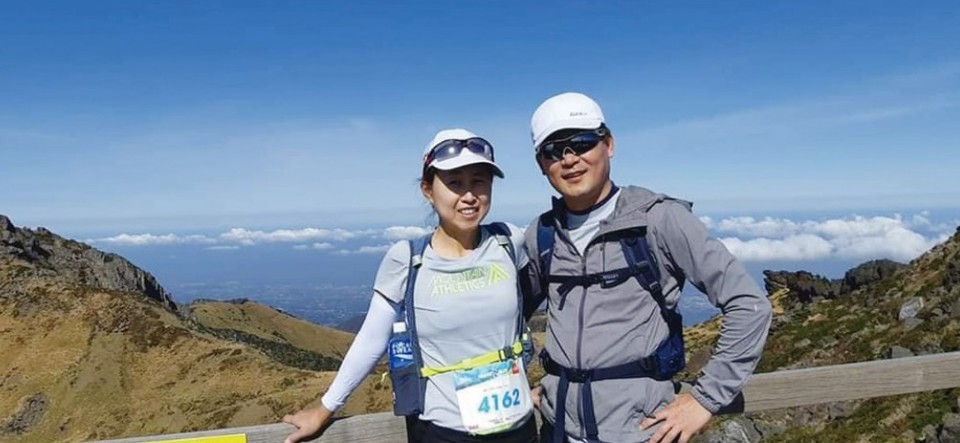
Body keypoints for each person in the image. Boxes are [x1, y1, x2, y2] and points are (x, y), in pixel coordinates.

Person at [520, 92, 772, 443]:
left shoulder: (660, 220)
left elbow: (749, 304)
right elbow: (509, 316)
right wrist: (520, 383)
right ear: (541, 164)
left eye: (581, 143)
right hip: (557, 431)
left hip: (641, 434)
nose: (570, 159)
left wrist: (705, 399)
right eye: (553, 150)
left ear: (608, 144)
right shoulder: (543, 234)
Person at [284, 129, 538, 443]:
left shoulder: (509, 242)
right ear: (428, 190)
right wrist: (326, 407)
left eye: (479, 180)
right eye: (454, 183)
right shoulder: (407, 259)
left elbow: (550, 303)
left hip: (519, 429)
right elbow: (371, 339)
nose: (469, 195)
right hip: (443, 433)